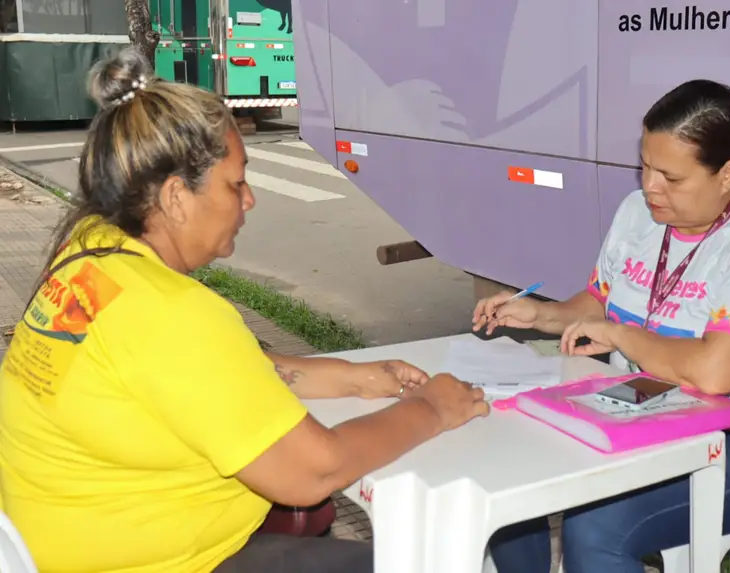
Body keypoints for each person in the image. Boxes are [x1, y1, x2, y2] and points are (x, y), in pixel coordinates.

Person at [0, 47, 489, 573]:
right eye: (236, 183)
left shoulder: (90, 252)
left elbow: (214, 378)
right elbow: (314, 473)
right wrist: (434, 408)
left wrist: (354, 378)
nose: (250, 200)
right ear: (175, 198)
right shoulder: (169, 312)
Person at [473, 79, 730, 573]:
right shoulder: (638, 214)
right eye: (646, 167)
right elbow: (601, 303)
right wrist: (541, 314)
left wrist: (622, 336)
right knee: (510, 474)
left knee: (596, 528)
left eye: (671, 178)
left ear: (727, 175)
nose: (650, 187)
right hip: (643, 408)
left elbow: (717, 374)